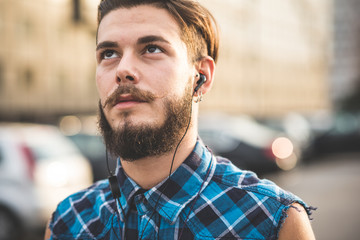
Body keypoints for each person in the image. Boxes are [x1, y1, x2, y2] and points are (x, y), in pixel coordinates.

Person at [45, 0, 316, 239]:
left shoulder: (271, 220)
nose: (123, 69)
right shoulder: (69, 222)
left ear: (201, 77)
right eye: (109, 54)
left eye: (151, 48)